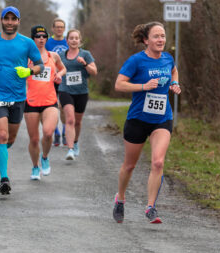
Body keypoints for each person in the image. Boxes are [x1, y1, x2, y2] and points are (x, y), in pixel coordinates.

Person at [112, 22, 181, 224]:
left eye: (163, 36)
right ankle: (120, 199)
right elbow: (119, 84)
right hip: (138, 120)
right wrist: (143, 86)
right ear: (145, 40)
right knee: (129, 165)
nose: (161, 40)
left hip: (162, 118)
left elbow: (174, 71)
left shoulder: (168, 58)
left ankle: (150, 206)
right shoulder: (136, 61)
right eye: (156, 36)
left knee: (158, 162)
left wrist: (175, 83)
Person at [0, 6, 43, 195]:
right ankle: (4, 178)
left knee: (10, 139)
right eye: (7, 19)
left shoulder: (27, 43)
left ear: (19, 21)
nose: (10, 22)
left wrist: (29, 71)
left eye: (14, 19)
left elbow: (40, 66)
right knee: (2, 135)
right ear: (1, 20)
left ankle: (0, 150)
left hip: (18, 97)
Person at [24, 25, 66, 180]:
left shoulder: (53, 56)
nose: (41, 39)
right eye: (38, 36)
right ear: (32, 39)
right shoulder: (25, 58)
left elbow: (63, 69)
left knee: (48, 133)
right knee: (34, 139)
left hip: (50, 101)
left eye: (44, 36)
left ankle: (45, 157)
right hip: (31, 102)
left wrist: (59, 75)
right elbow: (17, 75)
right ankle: (35, 167)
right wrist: (26, 70)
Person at [58, 29, 97, 160]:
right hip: (65, 90)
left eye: (76, 38)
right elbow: (56, 69)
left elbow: (94, 72)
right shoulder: (61, 55)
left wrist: (84, 64)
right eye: (71, 38)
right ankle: (69, 149)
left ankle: (75, 142)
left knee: (78, 122)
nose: (74, 40)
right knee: (70, 119)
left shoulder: (86, 54)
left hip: (81, 92)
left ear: (80, 41)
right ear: (67, 40)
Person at [45, 18, 69, 147]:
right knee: (52, 107)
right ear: (53, 29)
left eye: (62, 27)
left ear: (64, 29)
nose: (59, 29)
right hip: (50, 79)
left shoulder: (68, 42)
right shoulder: (48, 42)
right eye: (57, 27)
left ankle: (65, 131)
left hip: (65, 78)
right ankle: (56, 132)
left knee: (64, 107)